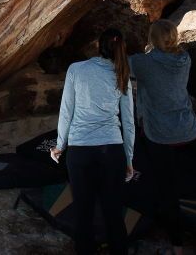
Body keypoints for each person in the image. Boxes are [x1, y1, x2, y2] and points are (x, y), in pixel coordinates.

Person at [130, 20, 196, 252]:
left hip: (158, 133)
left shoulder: (142, 63)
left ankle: (177, 245)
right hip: (188, 128)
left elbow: (119, 67)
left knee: (166, 189)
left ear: (152, 40)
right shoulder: (184, 59)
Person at [50, 28, 135, 254]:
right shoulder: (122, 72)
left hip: (80, 151)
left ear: (99, 46)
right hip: (112, 150)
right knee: (114, 214)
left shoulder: (77, 69)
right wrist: (129, 158)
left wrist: (60, 145)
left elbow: (66, 110)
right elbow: (128, 121)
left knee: (83, 214)